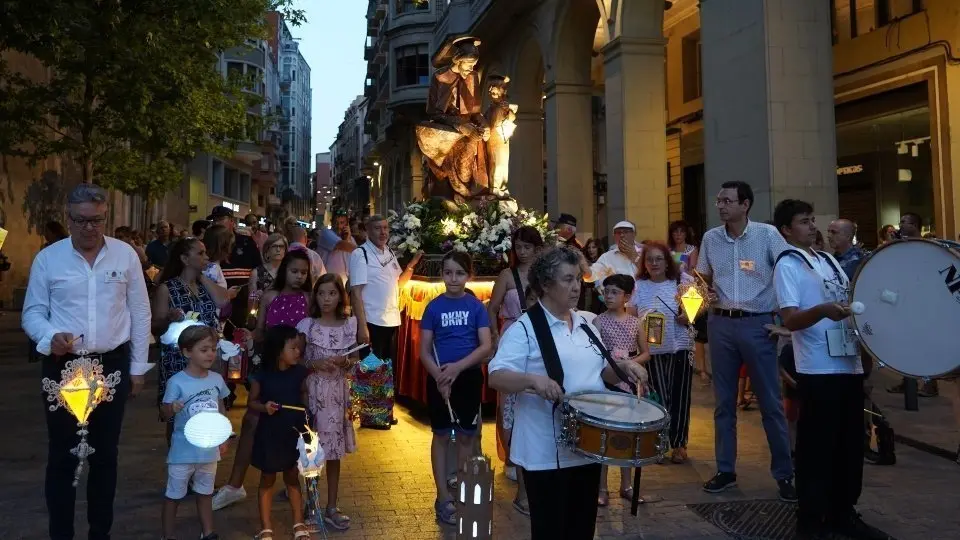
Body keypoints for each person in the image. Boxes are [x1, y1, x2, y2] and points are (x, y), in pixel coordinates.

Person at [488, 246, 648, 540]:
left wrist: (625, 366)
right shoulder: (525, 328)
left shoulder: (586, 324)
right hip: (545, 450)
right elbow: (496, 376)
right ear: (546, 284)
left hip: (586, 447)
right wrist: (533, 380)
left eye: (577, 278)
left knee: (581, 529)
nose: (576, 286)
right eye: (567, 279)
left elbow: (601, 372)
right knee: (551, 531)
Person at [23, 184, 151, 540]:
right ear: (69, 218)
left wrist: (138, 368)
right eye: (80, 221)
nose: (89, 228)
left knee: (105, 455)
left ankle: (100, 533)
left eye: (96, 220)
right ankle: (61, 533)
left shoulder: (125, 255)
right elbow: (32, 312)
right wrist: (50, 337)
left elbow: (140, 312)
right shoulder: (49, 258)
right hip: (64, 367)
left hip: (111, 365)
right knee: (63, 455)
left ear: (105, 217)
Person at [772, 199, 887, 540]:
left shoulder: (827, 261)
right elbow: (790, 318)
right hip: (818, 370)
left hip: (848, 365)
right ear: (786, 230)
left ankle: (842, 512)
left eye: (812, 219)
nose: (812, 226)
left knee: (849, 447)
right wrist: (823, 310)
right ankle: (810, 520)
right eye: (804, 221)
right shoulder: (787, 265)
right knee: (816, 449)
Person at [695, 181, 796, 501]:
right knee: (724, 405)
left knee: (770, 404)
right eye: (718, 200)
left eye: (727, 201)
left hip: (758, 324)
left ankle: (785, 474)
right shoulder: (711, 238)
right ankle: (725, 470)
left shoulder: (767, 236)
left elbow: (789, 270)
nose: (721, 206)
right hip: (721, 324)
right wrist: (698, 299)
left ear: (745, 205)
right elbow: (702, 279)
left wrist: (787, 321)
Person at [420, 252, 493, 526]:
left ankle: (462, 492)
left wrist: (457, 369)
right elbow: (424, 351)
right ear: (442, 274)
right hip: (439, 377)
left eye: (459, 273)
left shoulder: (476, 307)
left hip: (467, 377)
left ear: (468, 276)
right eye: (448, 272)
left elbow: (485, 346)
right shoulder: (433, 307)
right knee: (440, 436)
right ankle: (442, 497)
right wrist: (439, 375)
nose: (453, 279)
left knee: (466, 437)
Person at [486, 226, 543, 513]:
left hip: (539, 338)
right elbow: (492, 308)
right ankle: (512, 457)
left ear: (537, 248)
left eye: (527, 247)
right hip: (511, 334)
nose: (521, 252)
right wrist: (494, 339)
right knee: (509, 402)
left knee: (535, 398)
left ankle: (535, 459)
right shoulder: (506, 276)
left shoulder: (544, 275)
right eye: (517, 247)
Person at [153, 238, 231, 444]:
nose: (206, 257)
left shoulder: (204, 284)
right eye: (200, 253)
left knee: (208, 404)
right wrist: (169, 316)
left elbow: (223, 300)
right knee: (178, 411)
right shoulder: (167, 288)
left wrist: (201, 276)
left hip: (207, 357)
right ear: (185, 259)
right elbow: (156, 325)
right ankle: (178, 456)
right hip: (178, 358)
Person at [296, 274, 359, 531]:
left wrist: (347, 362)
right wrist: (313, 363)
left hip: (338, 393)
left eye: (332, 293)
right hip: (313, 394)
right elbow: (295, 359)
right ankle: (311, 503)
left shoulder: (348, 326)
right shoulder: (306, 325)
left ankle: (332, 505)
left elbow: (355, 358)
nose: (326, 299)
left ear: (340, 296)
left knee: (334, 453)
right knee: (312, 450)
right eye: (321, 293)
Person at [349, 215, 423, 428]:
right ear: (367, 231)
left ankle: (385, 412)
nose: (383, 232)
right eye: (377, 228)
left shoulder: (389, 253)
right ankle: (372, 417)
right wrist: (362, 327)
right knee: (372, 369)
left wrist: (412, 264)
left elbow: (399, 284)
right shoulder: (360, 254)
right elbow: (355, 293)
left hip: (391, 321)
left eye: (385, 228)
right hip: (371, 322)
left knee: (386, 370)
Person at [160, 325, 230, 540]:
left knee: (206, 492)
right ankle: (168, 535)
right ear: (187, 352)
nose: (211, 354)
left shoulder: (216, 380)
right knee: (174, 495)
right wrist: (171, 408)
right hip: (183, 451)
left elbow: (221, 408)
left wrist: (224, 435)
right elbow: (164, 413)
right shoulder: (177, 382)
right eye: (204, 349)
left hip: (208, 451)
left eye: (213, 349)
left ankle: (208, 532)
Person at [630, 242, 696, 464]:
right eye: (650, 259)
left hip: (681, 347)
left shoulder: (682, 282)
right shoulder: (639, 286)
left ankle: (679, 444)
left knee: (680, 396)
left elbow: (695, 309)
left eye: (659, 259)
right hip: (652, 350)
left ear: (667, 261)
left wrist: (686, 316)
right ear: (644, 263)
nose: (654, 263)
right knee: (657, 398)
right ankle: (659, 443)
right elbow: (631, 315)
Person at [249, 325, 311, 540]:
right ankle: (266, 527)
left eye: (299, 348)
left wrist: (310, 423)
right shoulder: (262, 376)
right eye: (293, 348)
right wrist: (264, 407)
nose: (298, 352)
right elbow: (252, 403)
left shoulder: (301, 373)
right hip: (270, 434)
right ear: (278, 350)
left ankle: (298, 523)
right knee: (267, 478)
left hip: (293, 433)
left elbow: (305, 401)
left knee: (293, 477)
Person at [594, 274, 649, 504]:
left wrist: (632, 363)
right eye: (606, 292)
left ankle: (626, 484)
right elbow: (594, 352)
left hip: (629, 383)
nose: (609, 296)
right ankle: (602, 488)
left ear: (627, 296)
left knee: (628, 433)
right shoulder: (598, 321)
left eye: (615, 292)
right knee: (604, 433)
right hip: (607, 381)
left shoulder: (635, 322)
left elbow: (646, 352)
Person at [210, 205, 263, 330]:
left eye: (221, 219)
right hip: (216, 300)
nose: (216, 222)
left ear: (232, 221)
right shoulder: (208, 244)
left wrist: (254, 300)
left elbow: (258, 269)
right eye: (214, 220)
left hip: (242, 301)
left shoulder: (246, 242)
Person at [255, 250, 312, 342]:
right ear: (284, 270)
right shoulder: (269, 297)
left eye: (304, 272)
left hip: (299, 353)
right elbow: (259, 332)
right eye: (294, 271)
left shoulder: (308, 298)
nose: (299, 276)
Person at [581, 220, 643, 291]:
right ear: (614, 236)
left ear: (634, 234)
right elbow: (591, 276)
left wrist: (635, 257)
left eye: (626, 232)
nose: (622, 235)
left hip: (645, 300)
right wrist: (581, 260)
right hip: (618, 300)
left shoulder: (645, 252)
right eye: (618, 233)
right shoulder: (607, 257)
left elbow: (653, 275)